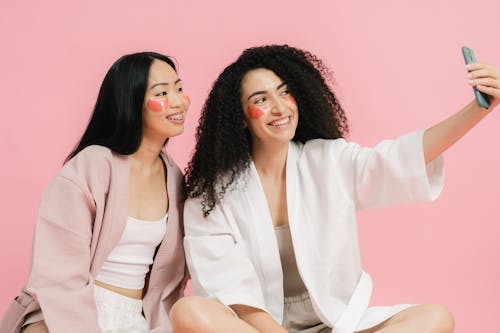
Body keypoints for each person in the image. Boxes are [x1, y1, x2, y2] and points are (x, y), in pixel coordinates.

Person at [170, 45, 499, 333]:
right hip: (257, 329)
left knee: (435, 318)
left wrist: (479, 110)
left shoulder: (327, 160)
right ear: (240, 117)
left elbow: (400, 159)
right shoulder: (210, 196)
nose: (280, 107)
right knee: (189, 312)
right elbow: (235, 298)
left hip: (338, 324)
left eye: (284, 92)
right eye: (261, 100)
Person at [0, 52, 189, 333]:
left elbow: (168, 285)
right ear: (131, 101)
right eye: (162, 92)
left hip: (138, 319)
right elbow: (58, 276)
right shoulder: (93, 165)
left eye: (179, 88)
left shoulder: (174, 178)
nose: (178, 101)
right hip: (71, 313)